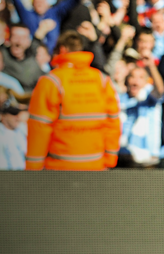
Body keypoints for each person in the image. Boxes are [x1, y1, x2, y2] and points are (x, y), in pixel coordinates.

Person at [26, 31, 120, 171]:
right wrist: (110, 159)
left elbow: (39, 128)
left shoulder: (51, 81)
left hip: (60, 168)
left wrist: (33, 168)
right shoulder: (101, 80)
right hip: (96, 165)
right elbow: (113, 122)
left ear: (62, 49)